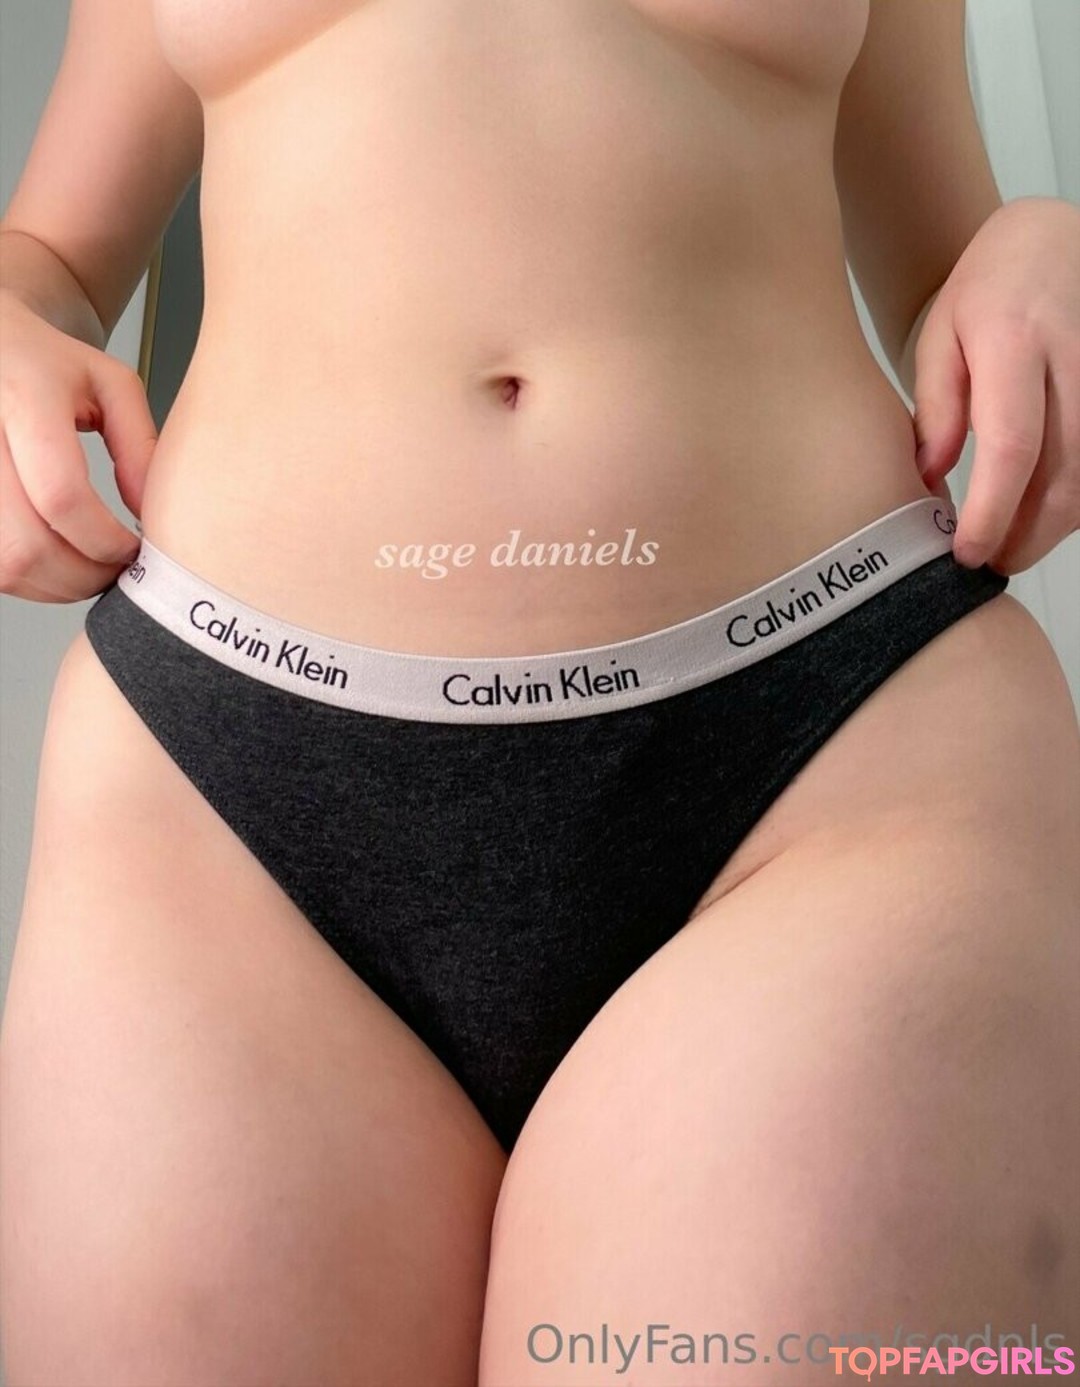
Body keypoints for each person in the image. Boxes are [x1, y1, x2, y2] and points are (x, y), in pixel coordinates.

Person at [0, 0, 1077, 1382]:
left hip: (832, 757)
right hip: (224, 800)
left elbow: (945, 259)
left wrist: (1035, 247)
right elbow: (49, 258)